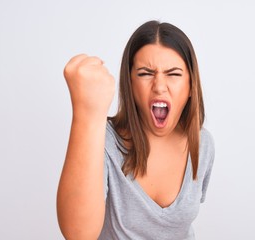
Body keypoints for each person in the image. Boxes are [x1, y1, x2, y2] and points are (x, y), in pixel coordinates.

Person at [57, 20, 215, 240]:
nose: (159, 86)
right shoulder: (102, 139)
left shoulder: (202, 143)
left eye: (174, 74)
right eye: (145, 73)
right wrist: (88, 113)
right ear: (129, 84)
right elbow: (78, 234)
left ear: (190, 86)